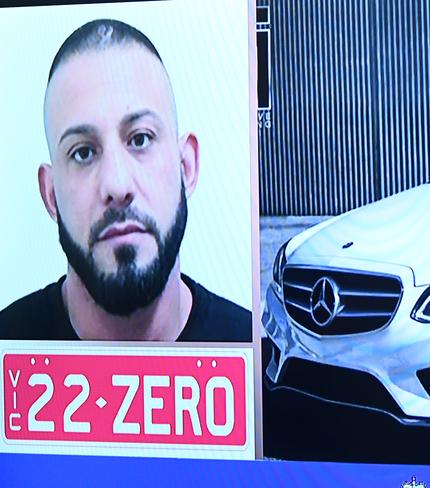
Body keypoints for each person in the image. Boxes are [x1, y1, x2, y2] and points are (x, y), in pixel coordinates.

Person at [0, 19, 251, 342]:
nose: (117, 186)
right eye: (82, 153)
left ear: (186, 167)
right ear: (51, 196)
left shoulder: (250, 353)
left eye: (141, 139)